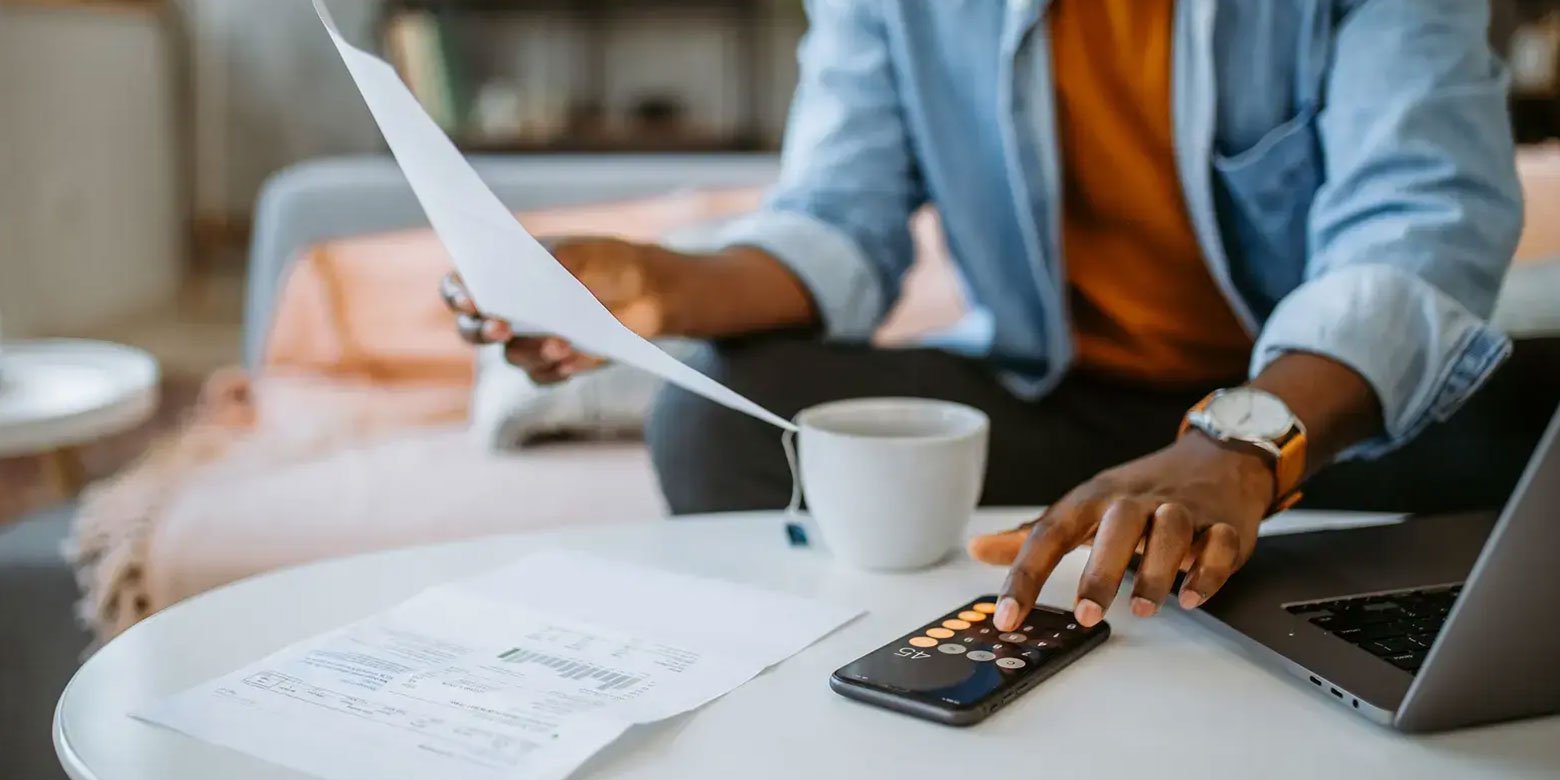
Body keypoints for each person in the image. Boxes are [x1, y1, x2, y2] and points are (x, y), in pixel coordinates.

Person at [442, 0, 1560, 635]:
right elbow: (839, 217)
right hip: (1072, 411)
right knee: (726, 424)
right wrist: (664, 285)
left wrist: (1241, 444)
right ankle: (1183, 559)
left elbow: (1418, 216)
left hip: (1324, 417)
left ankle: (1220, 542)